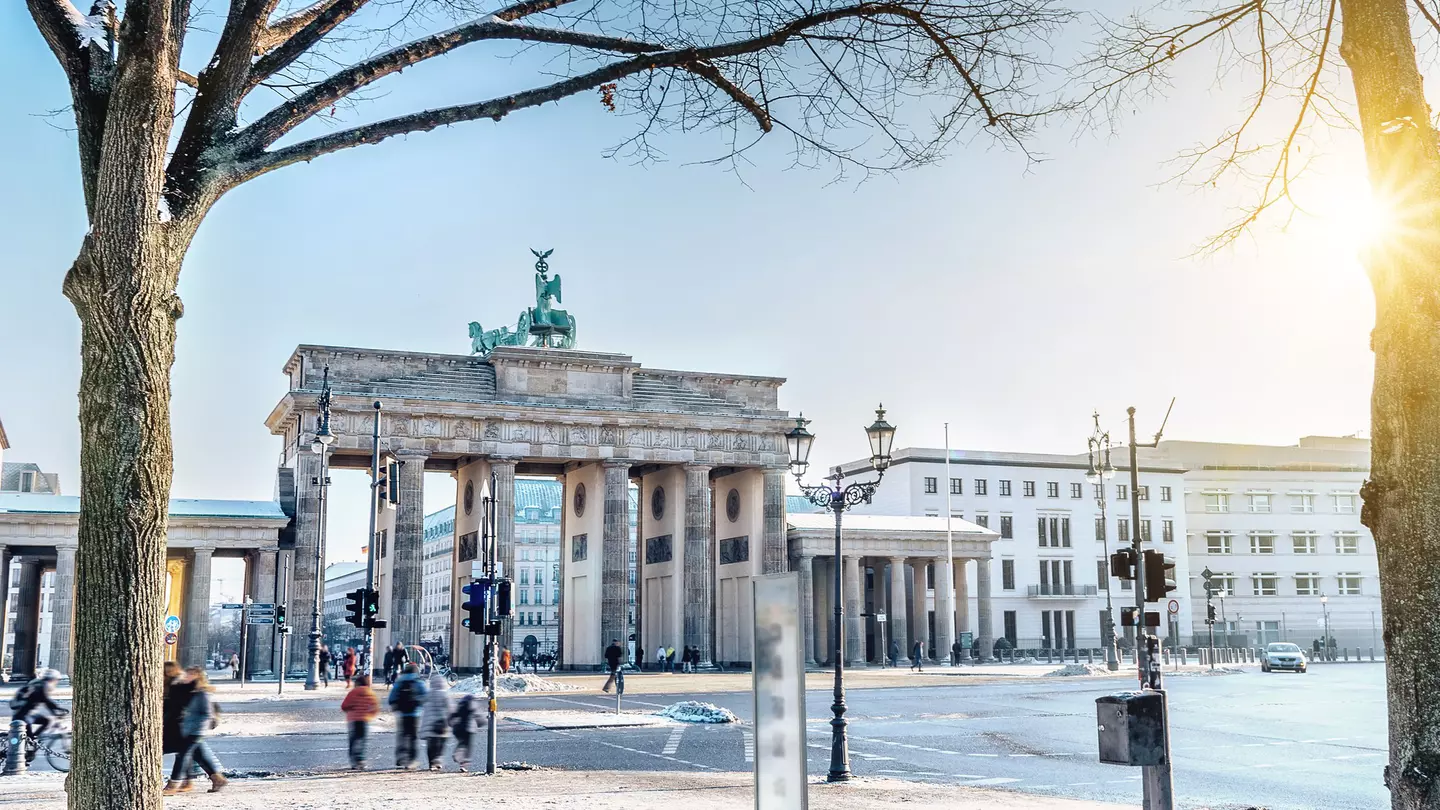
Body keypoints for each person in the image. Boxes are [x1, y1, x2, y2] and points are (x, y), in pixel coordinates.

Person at [164, 667, 226, 794]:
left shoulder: (202, 693)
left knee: (183, 755)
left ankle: (173, 785)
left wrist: (195, 726)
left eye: (190, 674)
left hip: (196, 731)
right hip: (187, 730)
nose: (186, 676)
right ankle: (217, 779)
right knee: (197, 753)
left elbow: (206, 714)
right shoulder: (191, 690)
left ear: (198, 677)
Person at [10, 669, 66, 763]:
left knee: (46, 721)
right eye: (56, 680)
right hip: (22, 716)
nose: (56, 682)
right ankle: (28, 749)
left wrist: (56, 709)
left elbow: (45, 701)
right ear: (51, 679)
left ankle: (33, 739)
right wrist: (56, 710)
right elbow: (46, 700)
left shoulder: (39, 685)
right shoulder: (40, 687)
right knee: (30, 738)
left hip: (26, 714)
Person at [388, 662, 428, 769]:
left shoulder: (400, 681)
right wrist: (419, 703)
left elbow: (391, 698)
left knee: (402, 735)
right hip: (415, 714)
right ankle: (411, 760)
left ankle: (400, 757)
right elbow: (426, 696)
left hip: (402, 713)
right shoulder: (418, 682)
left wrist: (396, 706)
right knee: (413, 738)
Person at [340, 674, 379, 770]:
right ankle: (360, 759)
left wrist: (350, 710)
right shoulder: (370, 693)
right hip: (364, 720)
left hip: (353, 720)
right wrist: (370, 715)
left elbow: (344, 706)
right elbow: (375, 708)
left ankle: (353, 761)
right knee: (362, 740)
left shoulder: (353, 692)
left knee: (353, 740)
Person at [420, 672, 453, 770]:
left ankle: (431, 763)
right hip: (442, 723)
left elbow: (422, 704)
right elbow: (450, 708)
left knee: (430, 744)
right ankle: (438, 759)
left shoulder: (428, 694)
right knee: (441, 742)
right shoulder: (445, 694)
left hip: (429, 724)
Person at [449, 691, 482, 771]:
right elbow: (478, 716)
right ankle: (463, 764)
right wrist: (481, 723)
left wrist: (450, 723)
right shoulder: (473, 704)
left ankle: (457, 754)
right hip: (469, 729)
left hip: (458, 728)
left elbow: (453, 715)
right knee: (468, 747)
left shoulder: (460, 705)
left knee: (462, 743)